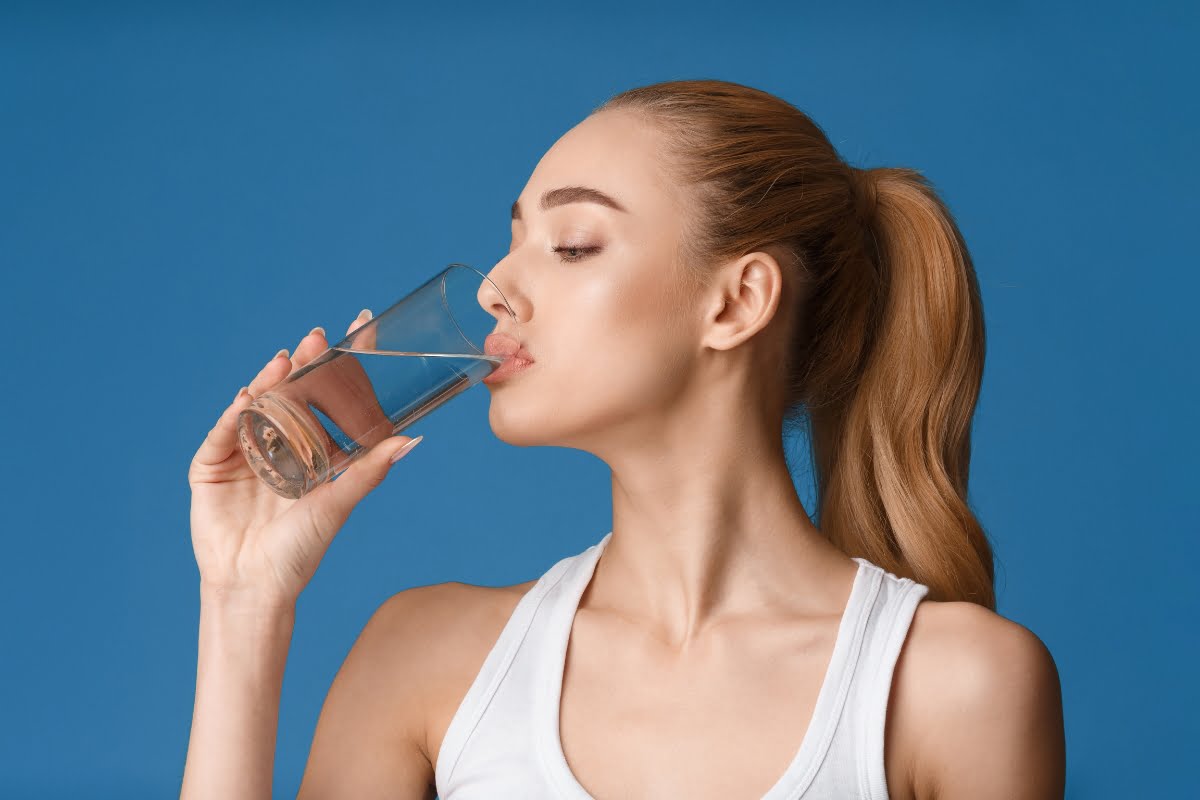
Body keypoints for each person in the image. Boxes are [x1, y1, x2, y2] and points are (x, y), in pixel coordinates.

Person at [180, 79, 1066, 800]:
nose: (495, 288)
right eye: (513, 239)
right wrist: (244, 602)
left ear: (735, 302)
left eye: (571, 245)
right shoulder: (424, 656)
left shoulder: (954, 688)